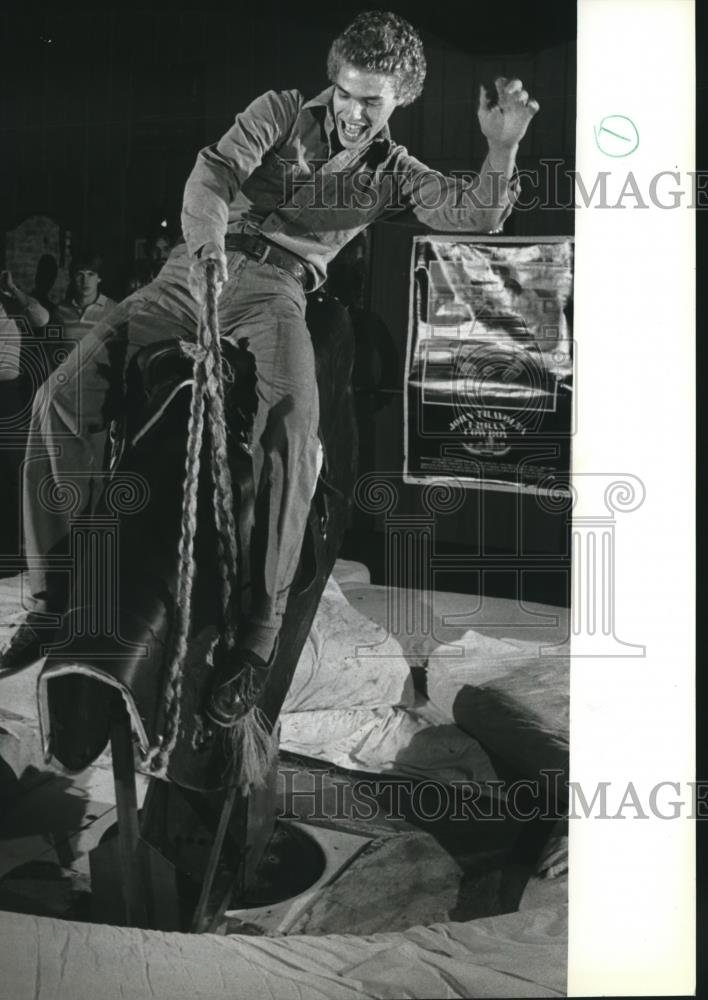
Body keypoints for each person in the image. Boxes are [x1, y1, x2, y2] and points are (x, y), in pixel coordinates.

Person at [1, 11, 539, 727]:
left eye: (370, 101)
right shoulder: (279, 111)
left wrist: (500, 149)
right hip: (186, 274)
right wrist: (205, 247)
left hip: (276, 295)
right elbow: (213, 173)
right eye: (345, 93)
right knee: (57, 402)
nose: (351, 111)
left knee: (292, 433)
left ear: (399, 100)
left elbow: (474, 216)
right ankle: (50, 602)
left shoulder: (395, 173)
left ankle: (256, 639)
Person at [49, 250, 117, 367]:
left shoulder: (114, 310)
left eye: (91, 274)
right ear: (72, 278)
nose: (85, 281)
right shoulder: (59, 310)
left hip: (101, 384)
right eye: (80, 274)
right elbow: (52, 352)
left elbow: (120, 356)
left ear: (99, 278)